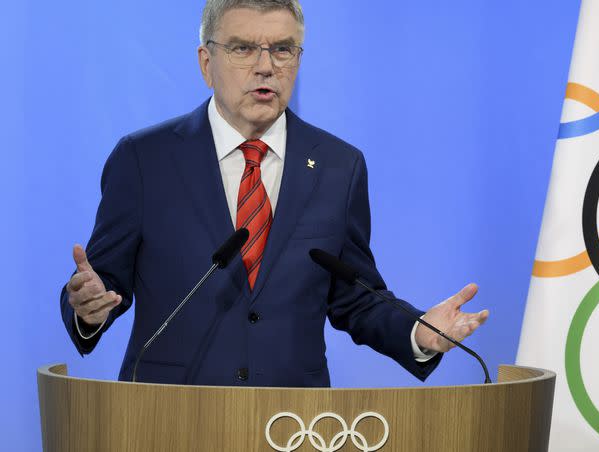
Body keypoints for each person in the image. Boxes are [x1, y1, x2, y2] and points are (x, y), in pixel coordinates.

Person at [60, 0, 489, 387]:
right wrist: (88, 307)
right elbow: (103, 285)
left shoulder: (340, 166)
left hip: (293, 419)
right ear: (206, 63)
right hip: (170, 414)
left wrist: (419, 332)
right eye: (243, 48)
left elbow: (356, 297)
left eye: (282, 49)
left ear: (298, 61)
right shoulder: (144, 159)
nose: (265, 66)